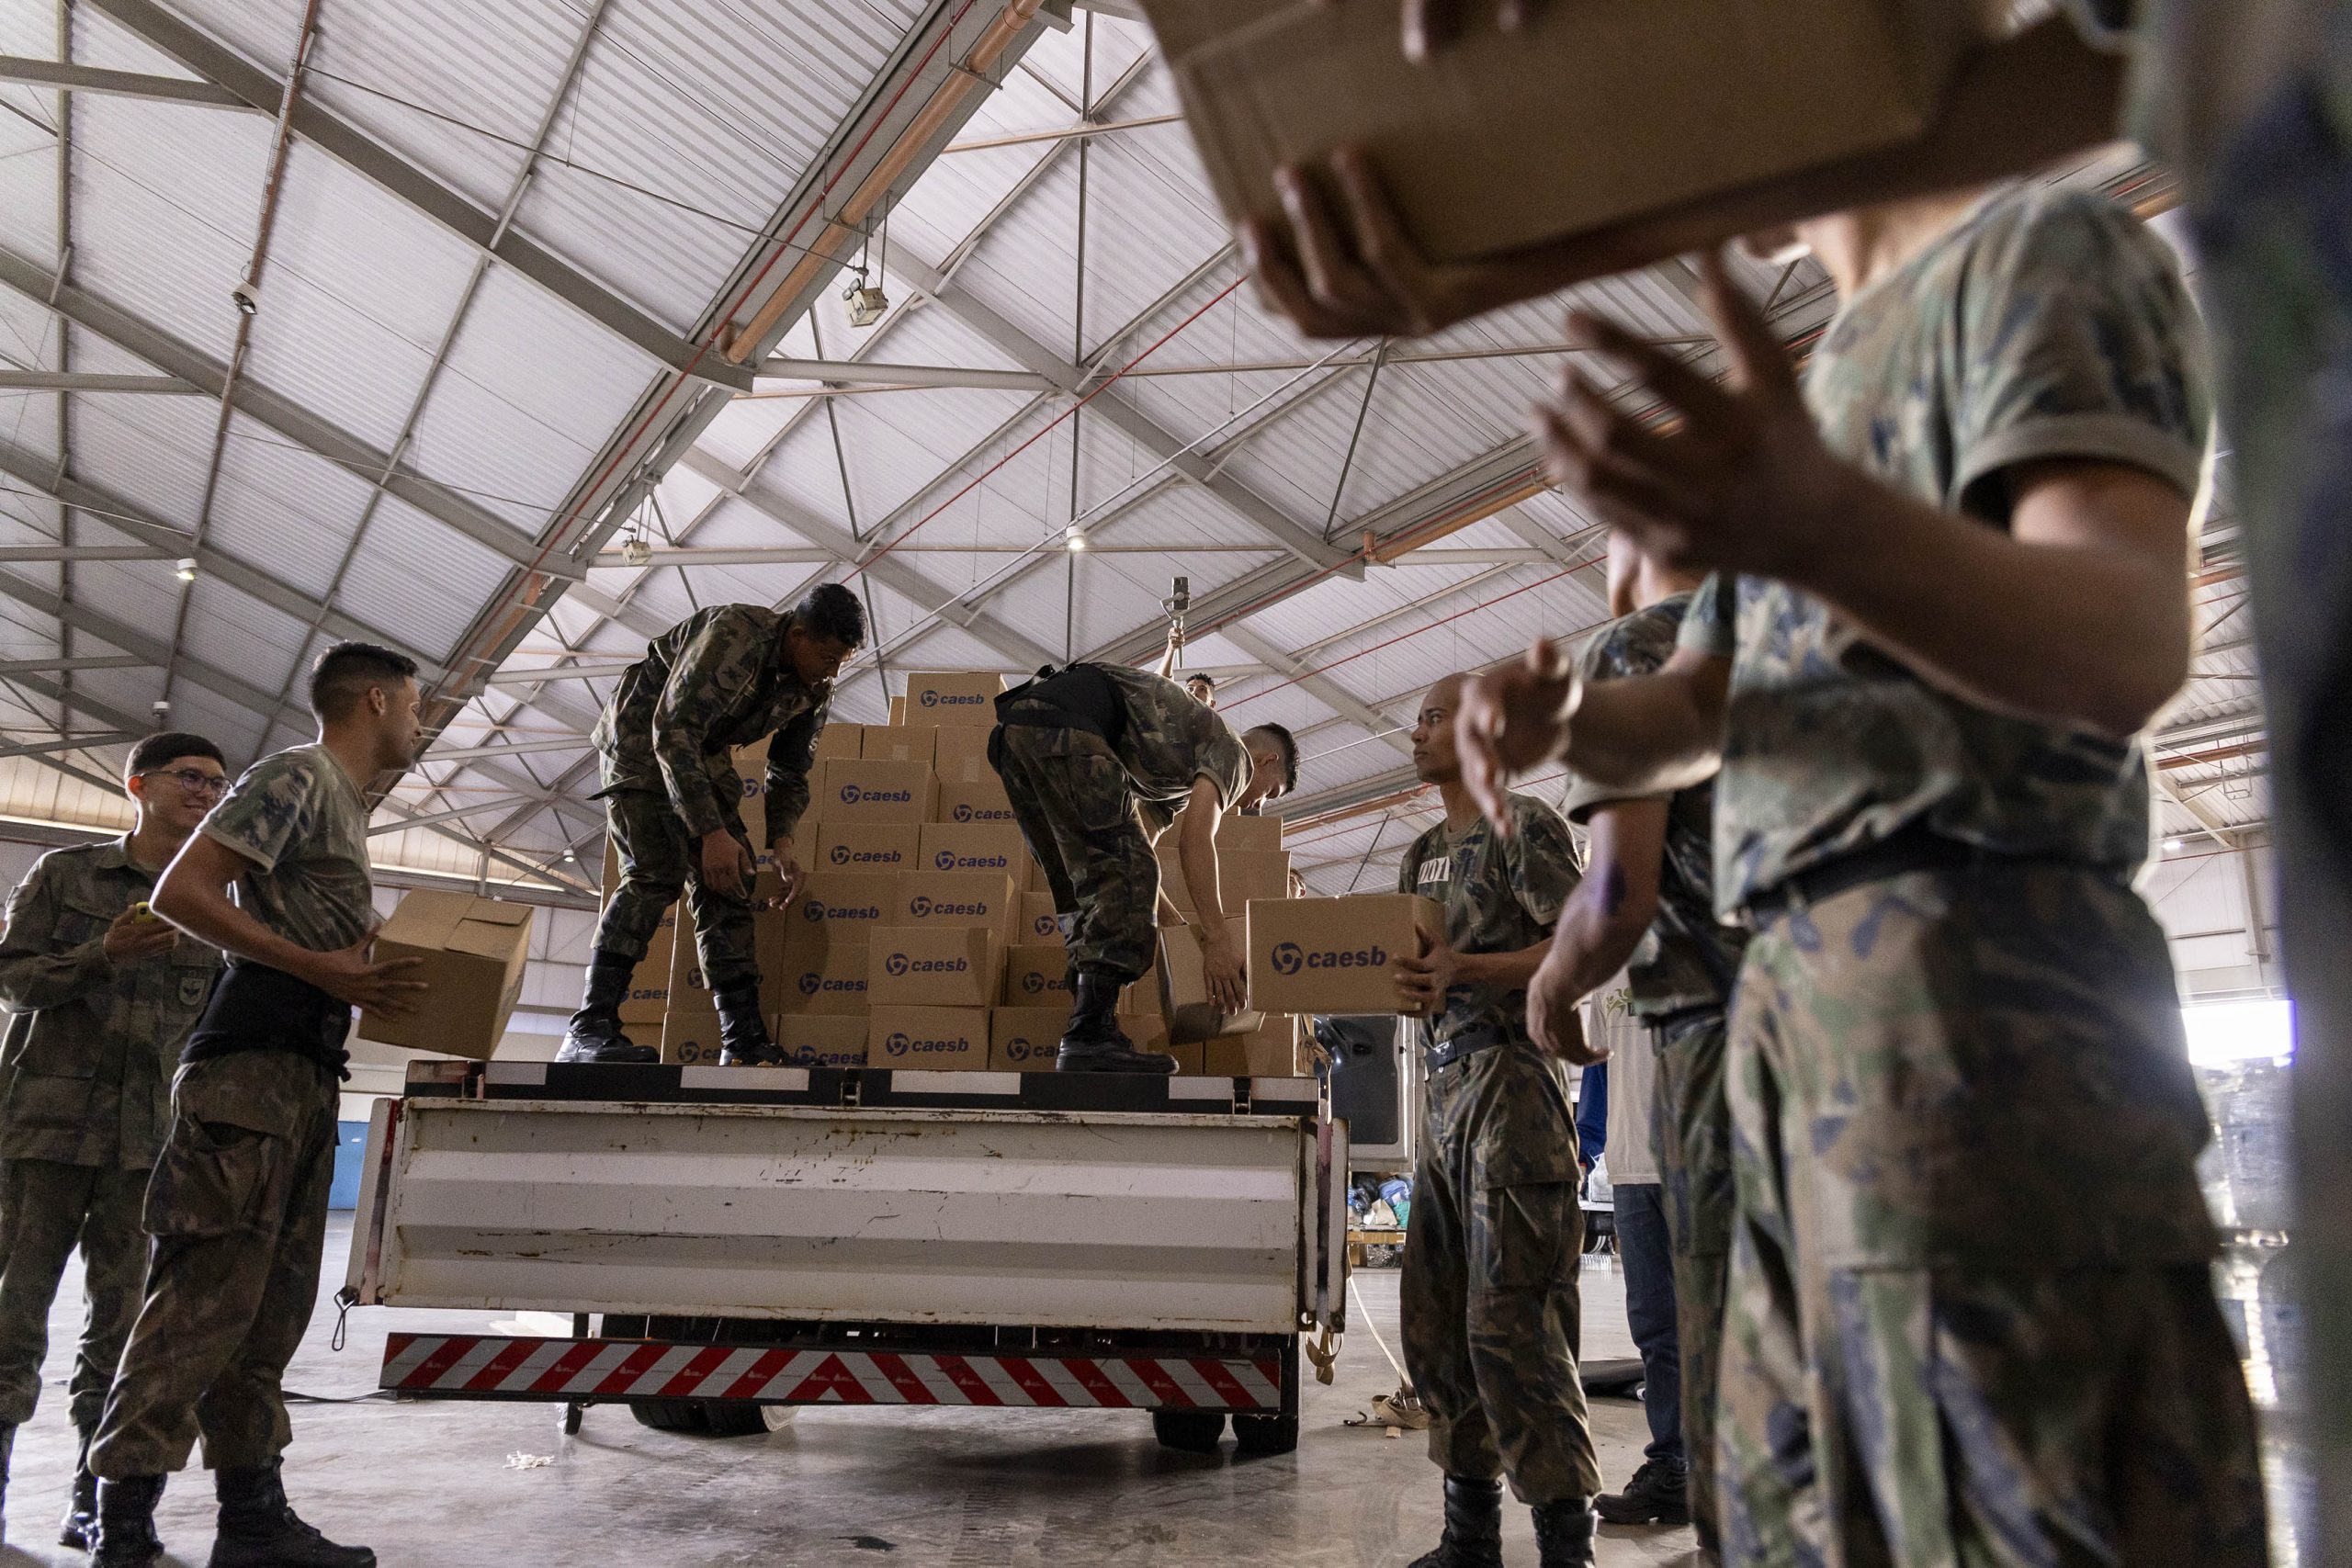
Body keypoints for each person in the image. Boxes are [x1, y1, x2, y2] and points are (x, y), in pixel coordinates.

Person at [1453, 187, 2266, 1564]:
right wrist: (1565, 730)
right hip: (1794, 1047)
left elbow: (2129, 633)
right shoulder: (1818, 393)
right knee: (1786, 1517)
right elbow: (1706, 709)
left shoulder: (2033, 261)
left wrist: (1824, 523)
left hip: (1982, 1016)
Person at [88, 643, 430, 1568]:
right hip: (250, 1067)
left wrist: (346, 965)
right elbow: (183, 892)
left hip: (304, 1066)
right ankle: (123, 1529)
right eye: (412, 705)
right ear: (373, 700)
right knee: (201, 1301)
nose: (419, 722)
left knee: (270, 1312)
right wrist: (317, 965)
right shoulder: (298, 776)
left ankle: (251, 1518)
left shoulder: (341, 809)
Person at [1528, 532, 1746, 1548]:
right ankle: (1681, 1467)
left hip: (1704, 1060)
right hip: (1771, 1065)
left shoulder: (1641, 643)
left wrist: (1551, 984)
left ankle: (1720, 1492)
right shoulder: (1810, 635)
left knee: (1706, 1326)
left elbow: (1619, 893)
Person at [1389, 673, 1600, 1568]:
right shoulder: (1419, 854)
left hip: (1514, 1091)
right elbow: (1416, 967)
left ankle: (1565, 1544)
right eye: (1416, 719)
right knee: (1436, 1324)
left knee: (1515, 1321)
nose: (1416, 732)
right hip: (1439, 1098)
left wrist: (1465, 972)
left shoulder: (1527, 826)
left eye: (1433, 717)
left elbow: (1576, 939)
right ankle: (1467, 1533)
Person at [0, 733, 226, 1549]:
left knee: (124, 1333)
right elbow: (12, 979)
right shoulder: (67, 874)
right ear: (139, 784)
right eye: (188, 777)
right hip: (45, 1135)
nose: (204, 792)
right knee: (10, 1319)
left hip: (151, 1150)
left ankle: (93, 1500)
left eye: (216, 783)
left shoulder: (214, 898)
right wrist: (102, 953)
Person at [565, 581, 865, 1067]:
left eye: (841, 662)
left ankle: (743, 1040)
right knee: (655, 872)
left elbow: (790, 770)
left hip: (700, 756)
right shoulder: (734, 637)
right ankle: (588, 1031)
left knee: (732, 878)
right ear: (799, 633)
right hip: (642, 742)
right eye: (828, 657)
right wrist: (710, 833)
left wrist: (781, 843)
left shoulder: (814, 688)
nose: (831, 672)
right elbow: (673, 728)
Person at [987, 662, 1294, 1073]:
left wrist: (1183, 933)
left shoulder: (1171, 779)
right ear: (1268, 759)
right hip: (1067, 728)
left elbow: (1139, 859)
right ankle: (1090, 1036)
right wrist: (1218, 939)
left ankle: (1088, 1029)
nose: (1257, 805)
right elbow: (1195, 842)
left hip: (1019, 731)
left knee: (1089, 887)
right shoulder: (1236, 754)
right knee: (1123, 880)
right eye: (1270, 793)